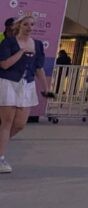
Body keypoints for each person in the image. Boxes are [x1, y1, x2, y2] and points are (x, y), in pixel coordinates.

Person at [0, 15, 52, 174]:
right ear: (19, 26)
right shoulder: (9, 42)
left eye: (32, 24)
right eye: (26, 24)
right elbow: (4, 64)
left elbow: (39, 68)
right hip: (9, 82)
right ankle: (1, 158)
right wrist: (21, 52)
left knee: (20, 124)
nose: (29, 27)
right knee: (7, 122)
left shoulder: (37, 44)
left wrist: (45, 88)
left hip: (27, 85)